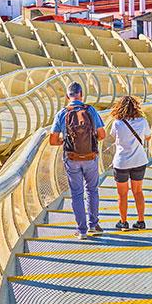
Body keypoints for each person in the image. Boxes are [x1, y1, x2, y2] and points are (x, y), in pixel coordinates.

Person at [49, 82, 107, 239]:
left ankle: (81, 231)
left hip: (71, 158)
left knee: (77, 193)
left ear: (68, 96)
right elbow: (102, 135)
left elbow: (53, 140)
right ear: (81, 94)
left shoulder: (62, 113)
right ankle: (93, 225)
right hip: (91, 157)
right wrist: (90, 140)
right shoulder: (91, 110)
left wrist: (64, 140)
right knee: (92, 190)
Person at [109, 95, 151, 230]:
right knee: (138, 192)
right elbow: (148, 136)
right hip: (139, 160)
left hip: (121, 162)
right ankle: (141, 221)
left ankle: (123, 222)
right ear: (136, 107)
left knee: (122, 194)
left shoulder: (117, 123)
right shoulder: (143, 121)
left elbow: (113, 136)